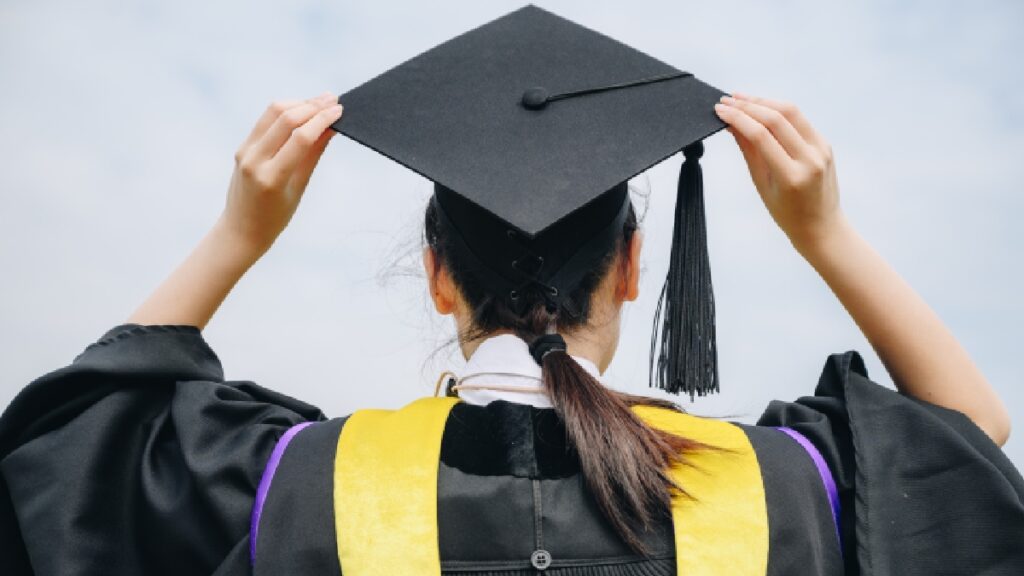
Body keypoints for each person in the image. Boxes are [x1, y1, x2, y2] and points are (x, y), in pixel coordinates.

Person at [2, 6, 1022, 576]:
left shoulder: (294, 483)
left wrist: (237, 233)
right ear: (632, 268)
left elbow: (75, 441)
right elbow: (964, 437)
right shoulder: (780, 487)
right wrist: (825, 230)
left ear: (437, 276)